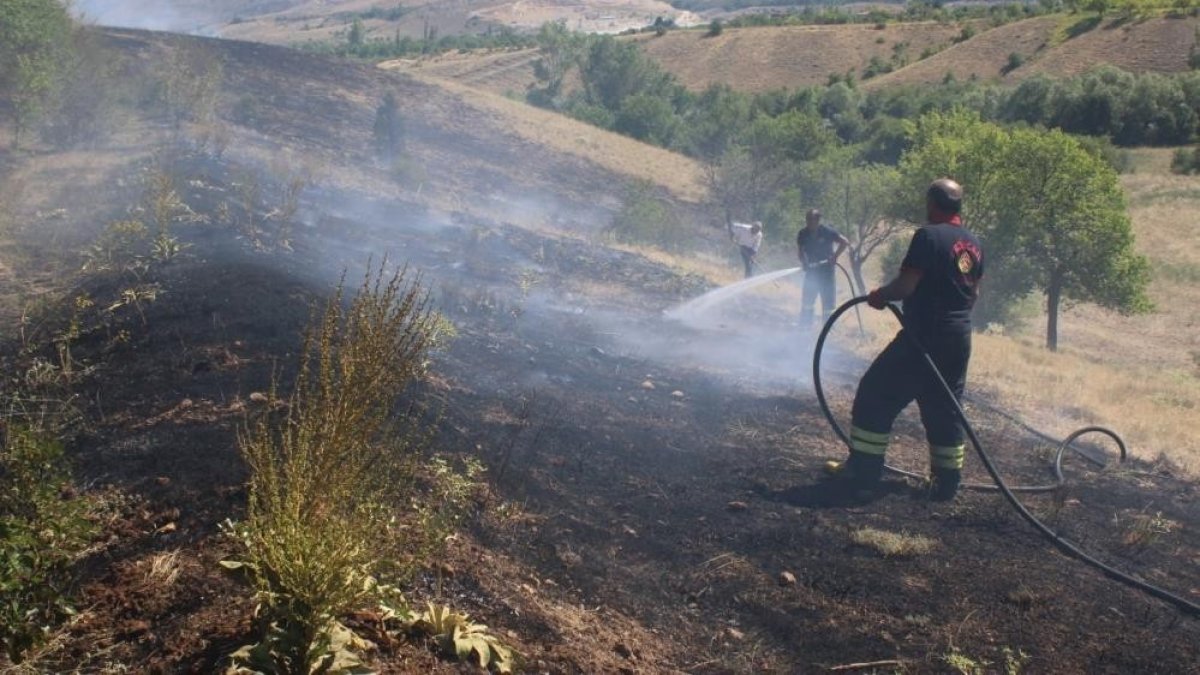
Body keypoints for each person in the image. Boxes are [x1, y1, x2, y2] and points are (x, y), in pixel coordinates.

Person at [825, 178, 984, 502]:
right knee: (944, 408)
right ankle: (945, 485)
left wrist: (880, 295)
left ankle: (863, 475)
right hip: (958, 339)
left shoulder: (927, 236)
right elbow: (973, 294)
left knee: (874, 395)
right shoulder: (973, 243)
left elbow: (906, 286)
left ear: (931, 203)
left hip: (924, 335)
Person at [795, 209, 849, 328]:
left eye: (811, 220)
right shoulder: (802, 233)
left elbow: (844, 242)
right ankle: (805, 326)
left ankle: (828, 329)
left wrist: (835, 256)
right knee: (807, 301)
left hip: (826, 273)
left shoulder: (827, 232)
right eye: (807, 220)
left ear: (818, 220)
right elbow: (800, 252)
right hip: (811, 272)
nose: (809, 223)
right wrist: (804, 262)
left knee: (828, 303)